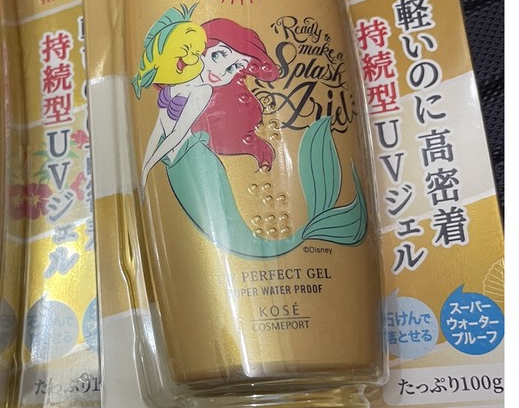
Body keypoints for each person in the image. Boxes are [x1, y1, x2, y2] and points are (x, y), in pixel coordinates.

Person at [136, 13, 366, 256]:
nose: (222, 70)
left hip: (195, 164)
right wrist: (144, 171)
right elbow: (160, 129)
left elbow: (175, 134)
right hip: (181, 166)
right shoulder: (176, 84)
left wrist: (147, 167)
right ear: (201, 48)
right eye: (219, 55)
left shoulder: (203, 92)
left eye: (234, 67)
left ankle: (313, 230)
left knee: (232, 238)